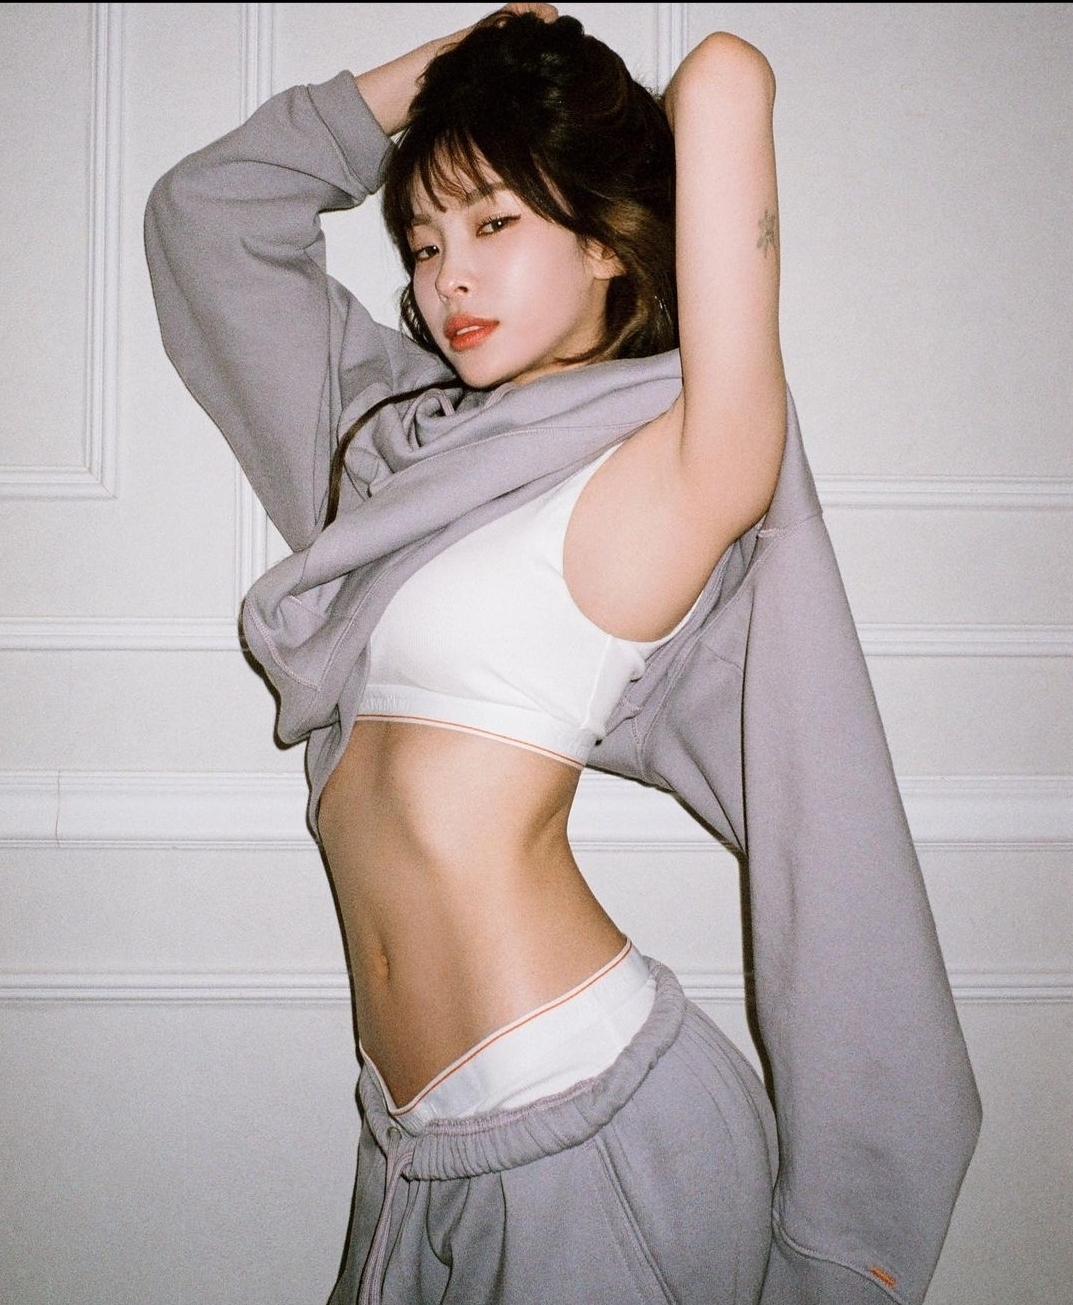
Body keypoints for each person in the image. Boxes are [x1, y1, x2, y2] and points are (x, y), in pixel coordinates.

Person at [145, 6, 980, 1303]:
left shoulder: (682, 458)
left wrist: (521, 71)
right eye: (424, 243)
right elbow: (206, 216)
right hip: (413, 1142)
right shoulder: (391, 459)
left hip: (588, 1136)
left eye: (494, 224)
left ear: (602, 240)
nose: (446, 279)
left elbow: (725, 76)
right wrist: (445, 67)